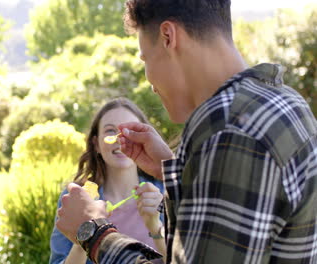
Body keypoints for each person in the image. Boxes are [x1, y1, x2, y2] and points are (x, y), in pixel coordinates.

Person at [55, 0, 317, 263]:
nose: (151, 84)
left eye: (145, 58)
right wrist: (174, 171)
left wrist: (93, 233)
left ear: (168, 36)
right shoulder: (284, 100)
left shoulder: (227, 130)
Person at [49, 97, 167, 264]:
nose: (120, 139)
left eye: (130, 131)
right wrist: (84, 236)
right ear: (96, 144)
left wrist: (156, 228)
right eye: (111, 131)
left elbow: (185, 259)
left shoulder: (164, 193)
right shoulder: (76, 197)